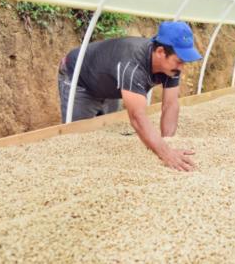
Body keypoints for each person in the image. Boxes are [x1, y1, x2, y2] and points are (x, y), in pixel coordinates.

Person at [58, 21, 202, 172]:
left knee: (106, 130)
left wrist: (168, 143)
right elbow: (137, 117)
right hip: (80, 79)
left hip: (111, 84)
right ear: (160, 52)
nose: (181, 67)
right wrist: (166, 154)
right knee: (77, 138)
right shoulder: (133, 63)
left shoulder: (171, 67)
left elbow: (170, 105)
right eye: (179, 61)